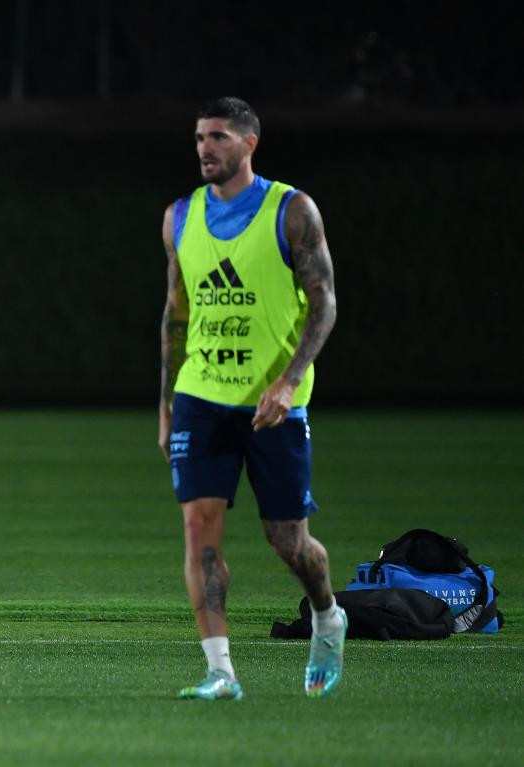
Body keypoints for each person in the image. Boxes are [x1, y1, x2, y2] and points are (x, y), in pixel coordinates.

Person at [157, 97, 344, 700]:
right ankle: (220, 670)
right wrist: (166, 405)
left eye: (217, 137)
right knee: (198, 529)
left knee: (288, 540)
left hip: (273, 406)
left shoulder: (292, 211)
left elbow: (325, 303)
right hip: (201, 398)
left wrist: (289, 381)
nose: (205, 148)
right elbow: (175, 316)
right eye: (198, 138)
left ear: (249, 143)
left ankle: (326, 616)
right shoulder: (179, 217)